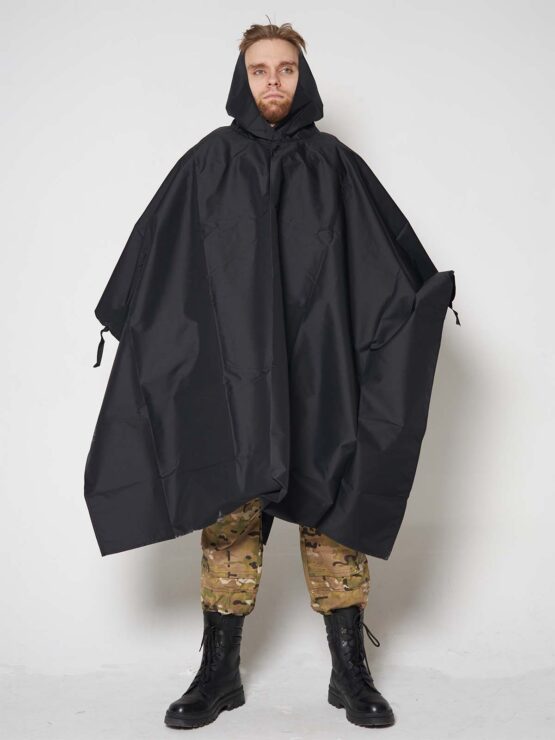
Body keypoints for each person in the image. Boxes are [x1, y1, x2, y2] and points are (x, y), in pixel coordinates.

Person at [85, 19, 458, 732]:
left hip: (319, 370)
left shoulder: (335, 165)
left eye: (285, 69)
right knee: (231, 507)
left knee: (333, 503)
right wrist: (139, 323)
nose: (273, 82)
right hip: (235, 379)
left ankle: (349, 671)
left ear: (302, 76)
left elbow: (384, 254)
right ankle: (218, 672)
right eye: (260, 70)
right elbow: (161, 259)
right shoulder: (207, 164)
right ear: (242, 78)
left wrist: (423, 299)